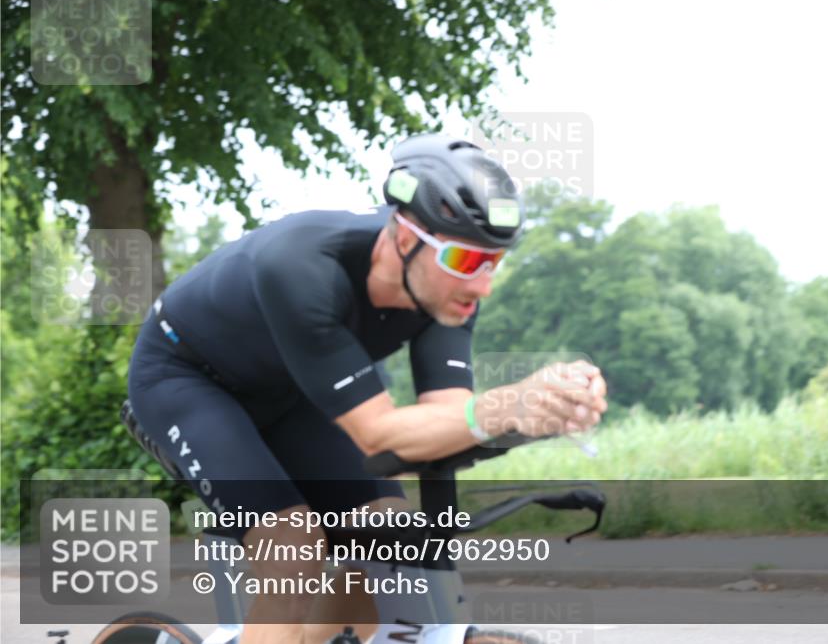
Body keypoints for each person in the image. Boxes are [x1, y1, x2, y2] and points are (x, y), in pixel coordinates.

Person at [126, 133, 607, 644]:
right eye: (467, 262)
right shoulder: (303, 268)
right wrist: (502, 404)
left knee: (388, 532)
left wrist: (532, 412)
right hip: (187, 379)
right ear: (405, 238)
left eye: (492, 263)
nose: (482, 285)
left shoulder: (448, 296)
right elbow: (382, 437)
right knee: (294, 547)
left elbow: (448, 419)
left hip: (291, 390)